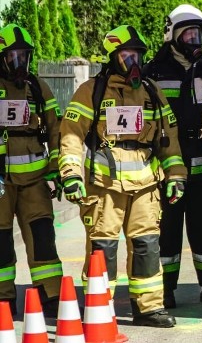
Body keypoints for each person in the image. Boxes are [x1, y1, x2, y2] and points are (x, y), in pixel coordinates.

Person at [60, 25, 184, 327]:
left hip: (146, 184)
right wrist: (71, 174)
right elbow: (72, 135)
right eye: (127, 55)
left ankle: (149, 308)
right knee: (104, 248)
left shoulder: (152, 92)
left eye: (138, 55)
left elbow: (170, 139)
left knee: (147, 245)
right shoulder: (92, 91)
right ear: (114, 57)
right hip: (104, 186)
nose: (134, 62)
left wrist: (176, 175)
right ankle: (99, 309)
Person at [143, 5, 202, 309]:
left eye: (198, 33)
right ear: (173, 35)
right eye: (188, 33)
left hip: (201, 163)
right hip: (168, 164)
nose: (195, 39)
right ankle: (165, 288)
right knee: (167, 229)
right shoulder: (155, 71)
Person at [0, 24, 63, 317]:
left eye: (23, 56)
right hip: (1, 182)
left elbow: (56, 131)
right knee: (0, 242)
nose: (19, 62)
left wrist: (55, 169)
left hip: (35, 181)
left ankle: (50, 295)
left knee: (42, 238)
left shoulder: (38, 87)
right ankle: (3, 299)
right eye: (13, 56)